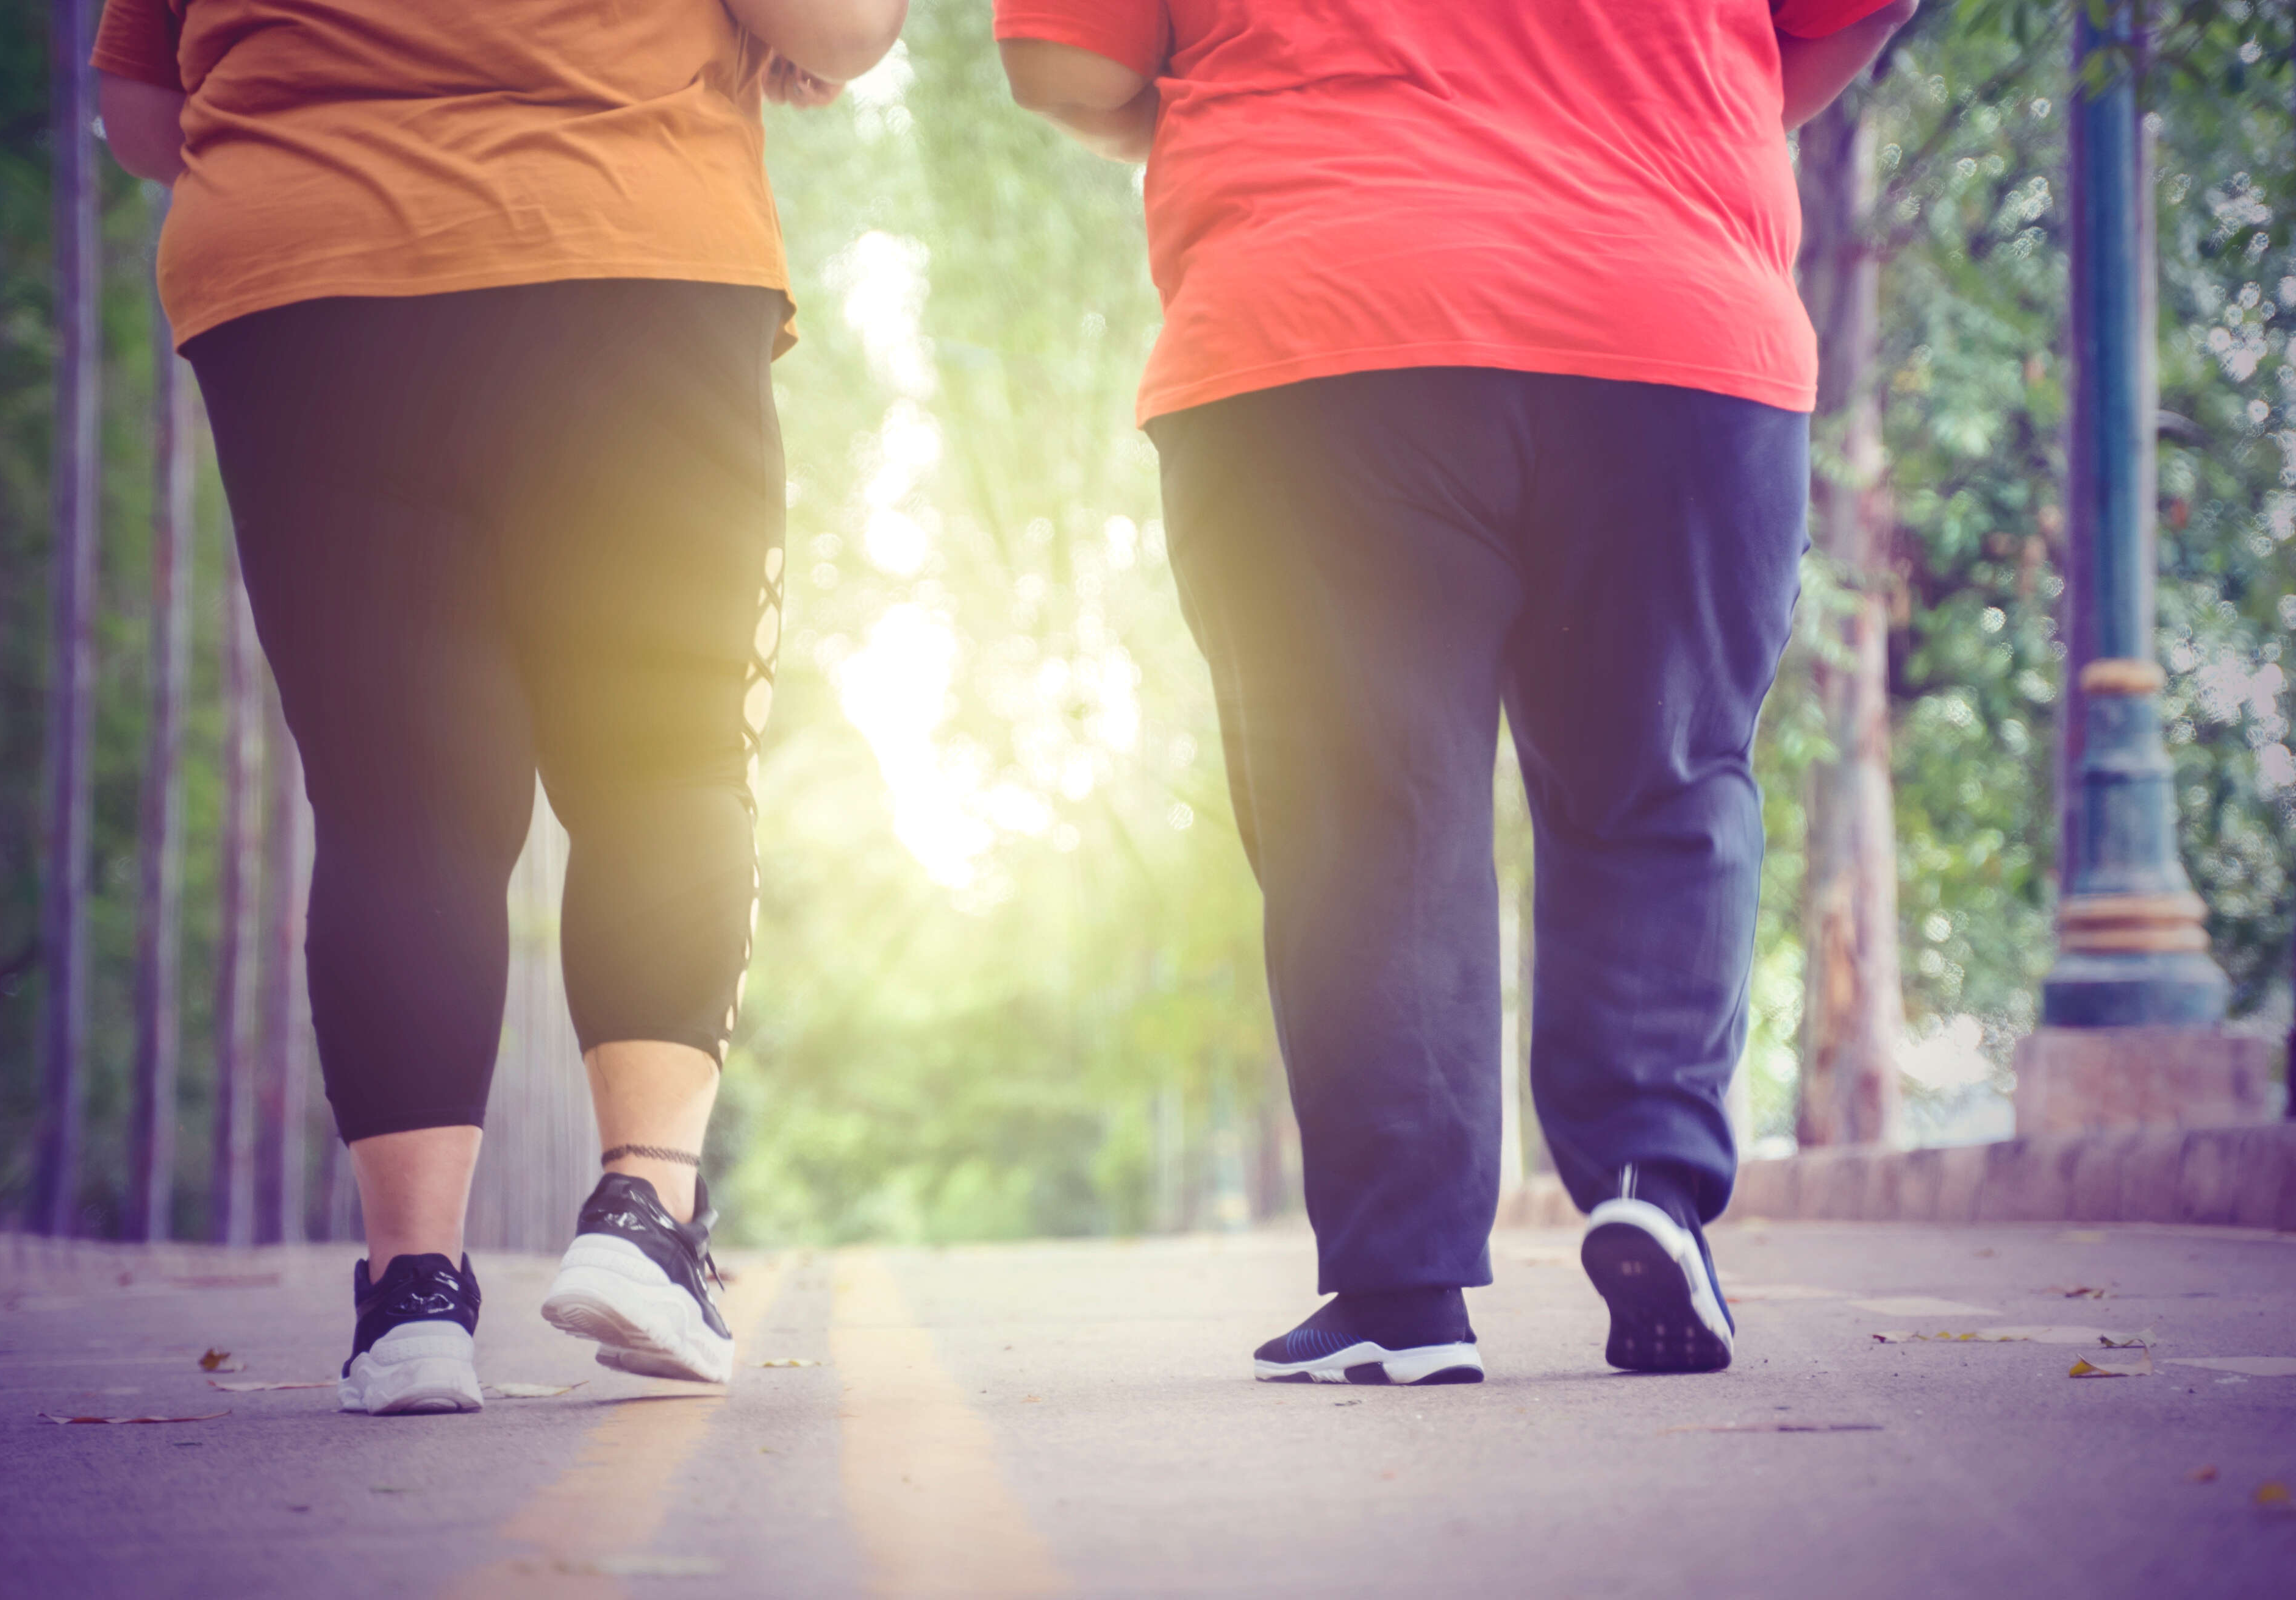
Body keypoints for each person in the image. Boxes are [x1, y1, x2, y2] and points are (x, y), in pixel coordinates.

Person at [997, 0, 1919, 1383]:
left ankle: (1400, 1289)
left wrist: (1228, 118)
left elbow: (1066, 59)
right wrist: (1672, 100)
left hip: (1323, 310)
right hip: (1666, 306)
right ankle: (1651, 1185)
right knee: (1660, 778)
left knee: (1366, 813)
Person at [95, 0, 904, 1415]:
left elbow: (144, 114)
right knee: (666, 759)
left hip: (303, 277)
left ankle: (412, 1297)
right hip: (625, 236)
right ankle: (645, 1218)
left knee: (396, 799)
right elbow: (833, 27)